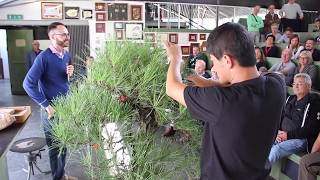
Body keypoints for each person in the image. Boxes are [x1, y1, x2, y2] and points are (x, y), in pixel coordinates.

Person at [165, 22, 286, 179]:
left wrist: (175, 58)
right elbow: (249, 80)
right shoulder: (276, 85)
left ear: (228, 60)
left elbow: (171, 87)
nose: (213, 69)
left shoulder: (222, 102)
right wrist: (213, 82)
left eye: (215, 62)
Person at [23, 22, 77, 180]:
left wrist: (70, 74)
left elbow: (64, 81)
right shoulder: (43, 58)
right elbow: (27, 84)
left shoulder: (66, 55)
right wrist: (47, 106)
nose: (67, 37)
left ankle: (62, 175)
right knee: (55, 148)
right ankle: (57, 178)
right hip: (51, 110)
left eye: (67, 33)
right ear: (53, 37)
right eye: (63, 34)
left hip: (65, 107)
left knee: (64, 143)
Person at [268, 73, 320, 166]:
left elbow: (312, 128)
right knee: (264, 142)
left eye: (299, 84)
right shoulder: (290, 98)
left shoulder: (314, 102)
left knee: (276, 149)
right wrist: (277, 132)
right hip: (283, 134)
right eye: (294, 83)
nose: (295, 86)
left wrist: (288, 135)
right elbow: (281, 117)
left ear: (308, 86)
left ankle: (258, 174)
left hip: (301, 139)